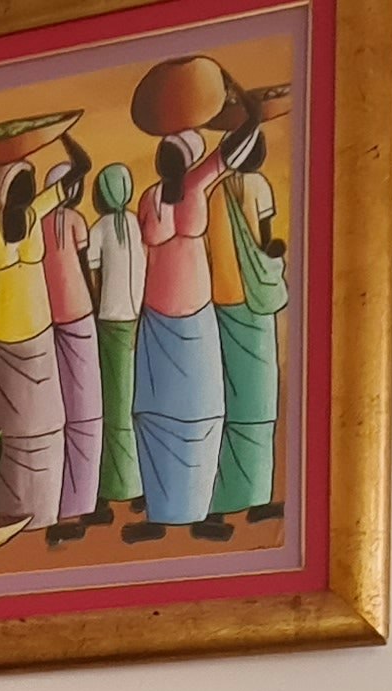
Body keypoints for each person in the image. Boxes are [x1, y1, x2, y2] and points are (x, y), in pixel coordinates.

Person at [127, 131, 224, 538]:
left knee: (202, 412)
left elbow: (227, 153)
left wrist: (251, 114)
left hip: (195, 318)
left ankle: (197, 509)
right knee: (154, 414)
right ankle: (161, 511)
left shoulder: (195, 185)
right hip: (158, 320)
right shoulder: (151, 197)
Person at [0, 160, 65, 532]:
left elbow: (72, 178)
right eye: (25, 184)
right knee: (12, 430)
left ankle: (42, 509)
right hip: (5, 339)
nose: (30, 191)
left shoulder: (30, 214)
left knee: (45, 426)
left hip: (35, 335)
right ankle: (13, 510)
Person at [209, 126, 289, 525]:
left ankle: (218, 503)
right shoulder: (257, 185)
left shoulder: (213, 192)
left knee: (228, 399)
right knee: (257, 403)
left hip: (222, 296)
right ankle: (255, 497)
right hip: (254, 301)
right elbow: (266, 244)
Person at [40, 137, 104, 537]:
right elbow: (83, 267)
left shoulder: (37, 224)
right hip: (78, 314)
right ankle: (78, 504)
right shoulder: (76, 221)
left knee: (59, 414)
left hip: (48, 318)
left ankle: (61, 503)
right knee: (86, 414)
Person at [89, 161, 147, 516]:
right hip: (138, 318)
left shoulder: (99, 229)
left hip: (111, 321)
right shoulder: (137, 224)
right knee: (132, 402)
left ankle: (116, 487)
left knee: (114, 407)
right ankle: (137, 484)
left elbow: (93, 277)